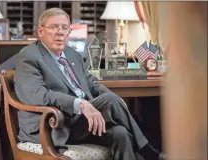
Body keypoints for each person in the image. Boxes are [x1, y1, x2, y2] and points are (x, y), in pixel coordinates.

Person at [14, 8, 165, 160]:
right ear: (40, 31)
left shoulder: (72, 54)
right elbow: (37, 95)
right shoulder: (28, 56)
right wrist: (80, 104)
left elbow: (91, 84)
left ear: (69, 32)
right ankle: (148, 152)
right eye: (53, 27)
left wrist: (116, 101)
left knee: (120, 133)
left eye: (64, 28)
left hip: (80, 122)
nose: (60, 32)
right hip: (53, 124)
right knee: (111, 101)